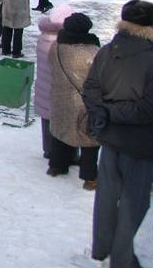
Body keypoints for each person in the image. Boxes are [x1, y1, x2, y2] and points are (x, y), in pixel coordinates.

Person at [84, 0, 153, 267]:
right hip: (141, 144)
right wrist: (110, 113)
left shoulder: (108, 51)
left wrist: (103, 112)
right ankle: (121, 259)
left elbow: (91, 89)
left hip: (110, 139)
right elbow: (151, 109)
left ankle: (101, 249)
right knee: (135, 204)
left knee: (107, 197)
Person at [48, 12, 101, 189]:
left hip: (59, 96)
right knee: (88, 138)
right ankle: (90, 177)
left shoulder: (56, 47)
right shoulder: (93, 52)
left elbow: (51, 65)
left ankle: (56, 166)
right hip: (83, 101)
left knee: (60, 129)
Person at [35, 4, 74, 161]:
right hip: (56, 86)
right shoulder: (61, 42)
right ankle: (61, 153)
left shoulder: (44, 36)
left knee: (47, 117)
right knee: (60, 120)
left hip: (43, 84)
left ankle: (48, 149)